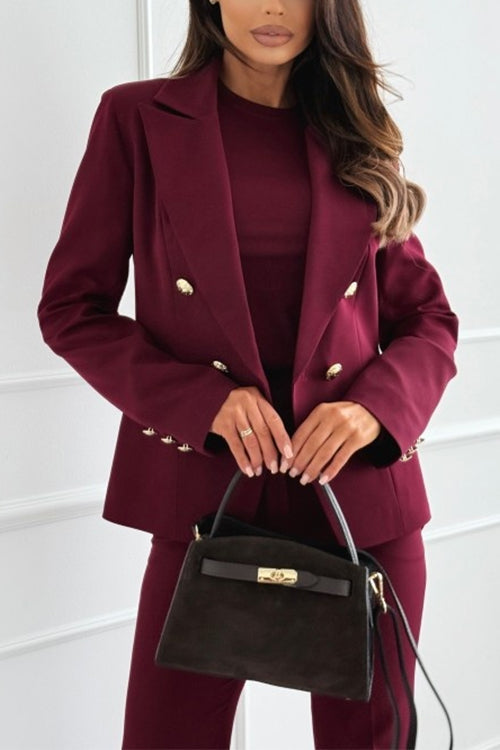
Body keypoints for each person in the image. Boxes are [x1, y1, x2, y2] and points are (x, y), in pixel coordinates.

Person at [36, 0, 459, 747]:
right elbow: (72, 309)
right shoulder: (138, 120)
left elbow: (428, 317)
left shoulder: (355, 130)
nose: (272, 6)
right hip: (208, 492)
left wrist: (372, 410)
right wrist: (203, 401)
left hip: (360, 498)